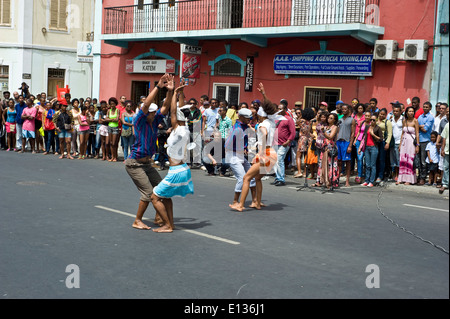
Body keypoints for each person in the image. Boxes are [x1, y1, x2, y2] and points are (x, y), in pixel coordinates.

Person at [125, 74, 173, 230]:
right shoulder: (139, 120)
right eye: (151, 112)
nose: (153, 114)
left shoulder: (155, 120)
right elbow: (146, 104)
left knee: (161, 189)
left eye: (153, 112)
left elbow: (165, 107)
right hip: (134, 164)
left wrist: (170, 91)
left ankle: (159, 216)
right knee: (147, 193)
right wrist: (158, 86)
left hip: (147, 163)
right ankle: (137, 220)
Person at [230, 83, 280, 212]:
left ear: (261, 115)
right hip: (272, 153)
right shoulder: (271, 122)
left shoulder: (263, 124)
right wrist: (264, 93)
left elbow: (264, 133)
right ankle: (257, 203)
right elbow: (270, 109)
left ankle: (240, 205)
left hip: (266, 153)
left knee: (247, 178)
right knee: (257, 178)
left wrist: (261, 150)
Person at [151, 84, 194, 233]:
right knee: (166, 197)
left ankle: (168, 225)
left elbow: (174, 110)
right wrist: (180, 94)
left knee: (155, 197)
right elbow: (180, 110)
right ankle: (170, 223)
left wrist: (175, 93)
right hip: (182, 169)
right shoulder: (185, 128)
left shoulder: (177, 129)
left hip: (176, 171)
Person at [225, 108, 259, 209]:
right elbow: (227, 144)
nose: (249, 120)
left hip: (240, 154)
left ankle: (254, 201)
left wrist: (244, 147)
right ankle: (235, 201)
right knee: (242, 178)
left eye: (250, 118)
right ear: (241, 117)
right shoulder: (237, 129)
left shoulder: (244, 126)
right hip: (233, 155)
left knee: (251, 175)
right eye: (247, 118)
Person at [273, 101, 296, 186]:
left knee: (279, 160)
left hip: (284, 143)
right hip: (275, 143)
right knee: (276, 161)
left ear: (285, 109)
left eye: (280, 109)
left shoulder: (289, 119)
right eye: (278, 109)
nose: (279, 110)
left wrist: (288, 141)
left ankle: (281, 179)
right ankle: (277, 177)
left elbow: (292, 132)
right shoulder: (276, 118)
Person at [397, 107, 420, 185]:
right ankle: (401, 178)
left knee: (410, 160)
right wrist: (400, 145)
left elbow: (417, 134)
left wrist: (417, 145)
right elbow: (402, 133)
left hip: (411, 142)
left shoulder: (415, 121)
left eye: (412, 111)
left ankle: (409, 180)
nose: (411, 112)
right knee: (403, 159)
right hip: (404, 142)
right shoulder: (404, 121)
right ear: (406, 112)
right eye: (409, 111)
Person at [360, 112, 382, 187]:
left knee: (373, 165)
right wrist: (360, 147)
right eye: (371, 120)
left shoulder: (378, 128)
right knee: (367, 165)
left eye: (374, 120)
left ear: (376, 120)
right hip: (367, 147)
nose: (372, 121)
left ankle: (372, 181)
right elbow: (363, 137)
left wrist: (373, 135)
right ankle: (367, 180)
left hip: (374, 147)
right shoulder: (367, 127)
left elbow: (381, 139)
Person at [336, 104, 356, 187]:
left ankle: (347, 180)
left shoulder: (352, 120)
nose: (343, 110)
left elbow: (352, 133)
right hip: (339, 142)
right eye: (342, 109)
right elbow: (337, 131)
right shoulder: (340, 119)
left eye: (345, 109)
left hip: (346, 142)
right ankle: (337, 179)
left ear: (348, 110)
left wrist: (350, 145)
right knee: (339, 162)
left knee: (347, 162)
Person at [417, 102, 435, 185]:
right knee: (418, 160)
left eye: (427, 107)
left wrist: (418, 126)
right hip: (418, 140)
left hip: (425, 140)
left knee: (423, 161)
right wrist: (421, 126)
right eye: (424, 107)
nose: (425, 108)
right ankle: (419, 176)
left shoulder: (430, 117)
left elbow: (425, 129)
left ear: (430, 108)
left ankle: (423, 177)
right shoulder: (420, 117)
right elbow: (416, 127)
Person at [376, 108, 393, 183]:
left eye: (383, 114)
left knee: (381, 159)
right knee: (375, 159)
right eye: (380, 114)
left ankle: (380, 175)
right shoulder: (375, 120)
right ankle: (374, 175)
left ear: (386, 115)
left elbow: (389, 134)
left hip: (382, 142)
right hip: (374, 142)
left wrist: (387, 143)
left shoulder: (387, 122)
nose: (381, 115)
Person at [312, 111, 328, 187]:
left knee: (325, 163)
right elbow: (317, 133)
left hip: (325, 145)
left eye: (324, 117)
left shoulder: (328, 125)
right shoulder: (318, 124)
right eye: (321, 117)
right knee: (319, 162)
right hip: (318, 144)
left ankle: (325, 180)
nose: (323, 118)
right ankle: (319, 180)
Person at [390, 103, 404, 182]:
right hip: (392, 142)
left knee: (399, 159)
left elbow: (403, 131)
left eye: (397, 111)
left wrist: (401, 143)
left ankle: (398, 175)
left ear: (400, 111)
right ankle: (394, 174)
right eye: (394, 111)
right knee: (393, 159)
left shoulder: (403, 119)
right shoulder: (391, 119)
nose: (395, 112)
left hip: (399, 142)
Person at [352, 103, 366, 183]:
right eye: (359, 108)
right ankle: (359, 174)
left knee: (362, 159)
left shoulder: (366, 118)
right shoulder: (354, 116)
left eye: (361, 108)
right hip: (357, 138)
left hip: (365, 140)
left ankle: (361, 174)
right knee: (358, 158)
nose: (360, 110)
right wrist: (354, 139)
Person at [107, 97, 120, 162]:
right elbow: (106, 119)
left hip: (115, 127)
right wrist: (112, 119)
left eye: (113, 104)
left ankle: (115, 157)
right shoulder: (109, 110)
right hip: (109, 127)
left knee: (114, 143)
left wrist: (110, 119)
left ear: (115, 104)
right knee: (111, 143)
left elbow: (117, 119)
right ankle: (112, 156)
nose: (112, 105)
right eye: (111, 104)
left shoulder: (117, 110)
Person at [438, 121, 449, 194]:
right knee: (446, 167)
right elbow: (444, 138)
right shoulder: (447, 125)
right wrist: (442, 149)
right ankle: (445, 184)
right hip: (447, 150)